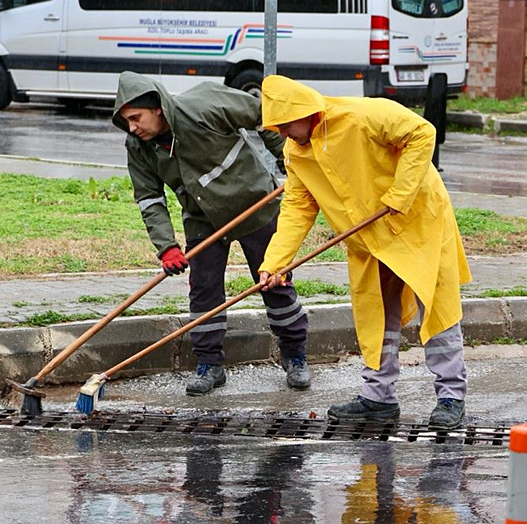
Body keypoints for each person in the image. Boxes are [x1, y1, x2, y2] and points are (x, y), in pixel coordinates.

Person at [256, 75, 471, 430]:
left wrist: (399, 196)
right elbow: (297, 207)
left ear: (306, 111)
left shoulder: (362, 115)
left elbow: (422, 133)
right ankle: (378, 398)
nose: (282, 133)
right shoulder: (296, 152)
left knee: (436, 308)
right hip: (369, 240)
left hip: (417, 224)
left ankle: (451, 397)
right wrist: (276, 263)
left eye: (284, 124)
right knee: (374, 314)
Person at [112, 71, 310, 396]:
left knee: (274, 281)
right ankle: (209, 366)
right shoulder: (138, 145)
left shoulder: (206, 103)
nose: (132, 127)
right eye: (127, 121)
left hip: (254, 204)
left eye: (136, 118)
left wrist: (291, 163)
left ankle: (296, 356)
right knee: (204, 293)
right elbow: (150, 198)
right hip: (202, 219)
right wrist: (166, 247)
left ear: (157, 107)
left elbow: (266, 116)